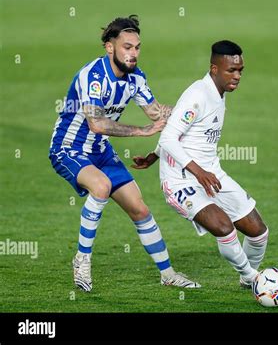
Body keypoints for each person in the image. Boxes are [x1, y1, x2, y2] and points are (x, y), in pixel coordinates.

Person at [48, 15, 200, 292]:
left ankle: (168, 274)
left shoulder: (136, 78)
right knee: (102, 186)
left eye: (137, 47)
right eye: (127, 47)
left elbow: (157, 112)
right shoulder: (93, 76)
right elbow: (97, 123)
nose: (133, 53)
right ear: (110, 47)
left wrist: (192, 110)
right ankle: (82, 259)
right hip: (67, 148)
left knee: (139, 208)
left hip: (100, 150)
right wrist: (142, 131)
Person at [132, 40, 269, 288]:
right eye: (231, 70)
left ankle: (248, 282)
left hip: (210, 174)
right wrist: (198, 172)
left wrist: (153, 155)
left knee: (258, 232)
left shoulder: (219, 92)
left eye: (240, 70)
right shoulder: (197, 96)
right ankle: (254, 279)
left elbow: (182, 132)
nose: (237, 76)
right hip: (180, 180)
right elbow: (168, 137)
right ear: (214, 69)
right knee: (224, 228)